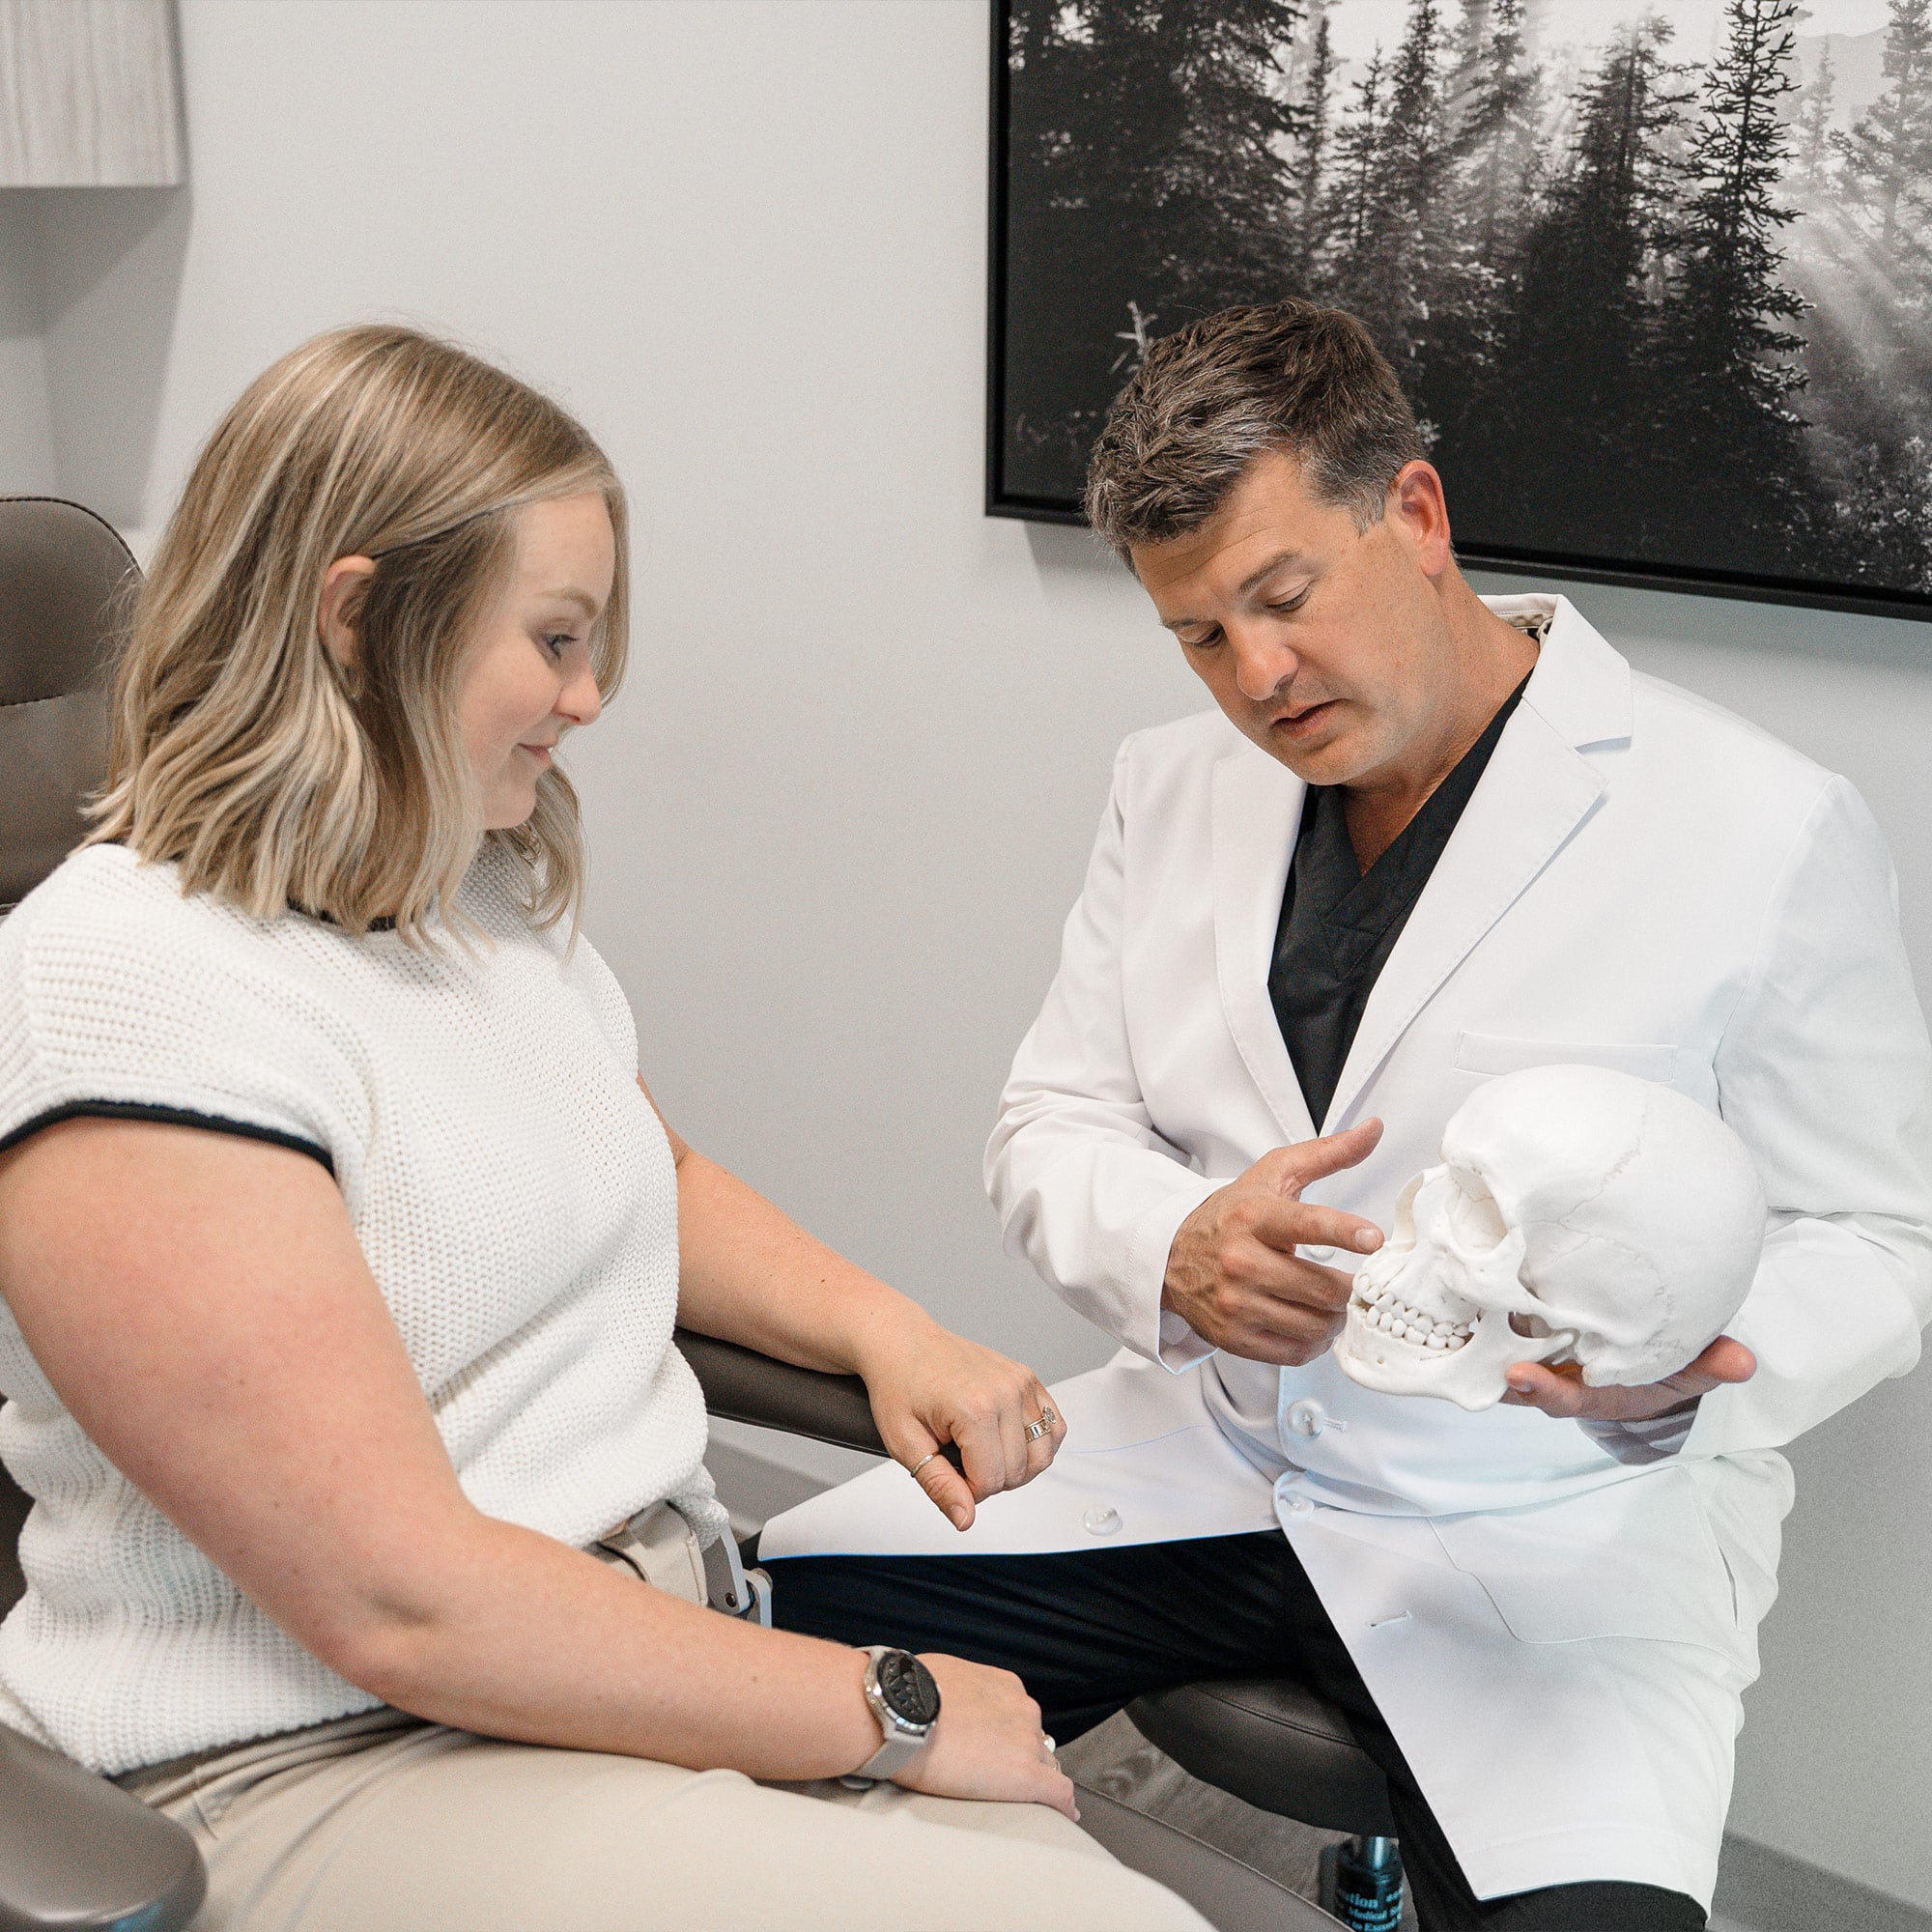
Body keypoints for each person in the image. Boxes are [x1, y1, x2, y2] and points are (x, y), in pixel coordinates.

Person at [0, 325, 1211, 1932]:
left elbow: (646, 1169)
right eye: (559, 640)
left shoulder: (466, 885)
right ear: (360, 620)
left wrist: (883, 1326)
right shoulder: (131, 982)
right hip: (328, 1757)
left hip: (629, 1661)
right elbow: (400, 1605)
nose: (589, 698)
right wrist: (888, 1704)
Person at [758, 300, 1932, 1930]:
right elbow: (1050, 1120)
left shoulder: (1757, 827)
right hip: (1205, 1461)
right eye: (1196, 635)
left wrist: (1690, 1369)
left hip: (1544, 1537)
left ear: (1419, 516)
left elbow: (1879, 1236)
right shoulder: (1167, 787)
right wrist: (1179, 1245)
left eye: (1282, 598)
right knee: (726, 1664)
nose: (1256, 678)